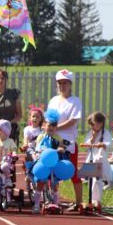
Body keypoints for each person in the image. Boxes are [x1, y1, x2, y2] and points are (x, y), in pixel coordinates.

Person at [47, 69, 83, 211]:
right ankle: (54, 200)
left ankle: (79, 202)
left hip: (68, 143)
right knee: (52, 172)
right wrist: (49, 129)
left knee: (73, 172)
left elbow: (73, 120)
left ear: (70, 84)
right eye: (60, 83)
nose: (62, 86)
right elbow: (49, 119)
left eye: (65, 83)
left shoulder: (75, 101)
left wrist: (57, 128)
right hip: (53, 141)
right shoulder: (53, 101)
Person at [31, 112, 66, 213]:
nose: (51, 127)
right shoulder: (41, 137)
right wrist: (41, 150)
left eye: (54, 125)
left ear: (56, 128)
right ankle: (37, 204)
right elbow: (38, 147)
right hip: (43, 162)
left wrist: (60, 149)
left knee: (55, 184)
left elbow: (62, 146)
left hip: (54, 162)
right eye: (49, 125)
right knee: (41, 182)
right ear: (44, 126)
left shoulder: (58, 137)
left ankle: (56, 202)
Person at [80, 112, 112, 211]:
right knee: (90, 180)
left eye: (98, 123)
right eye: (93, 124)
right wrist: (93, 138)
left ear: (102, 123)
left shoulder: (106, 133)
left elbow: (109, 143)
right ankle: (90, 199)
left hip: (100, 159)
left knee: (97, 180)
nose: (96, 125)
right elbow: (86, 144)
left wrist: (102, 144)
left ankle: (96, 199)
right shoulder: (90, 133)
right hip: (91, 158)